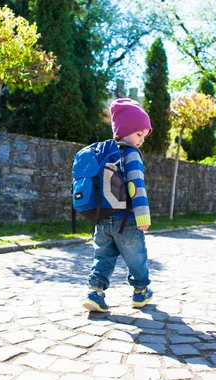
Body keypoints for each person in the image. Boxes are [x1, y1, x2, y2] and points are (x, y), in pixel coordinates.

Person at [82, 98, 154, 312]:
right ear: (124, 130)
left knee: (103, 257)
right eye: (138, 134)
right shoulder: (131, 154)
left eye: (144, 135)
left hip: (101, 218)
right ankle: (140, 291)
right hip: (127, 221)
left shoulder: (103, 151)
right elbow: (136, 186)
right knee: (136, 258)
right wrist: (143, 216)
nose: (141, 140)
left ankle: (95, 293)